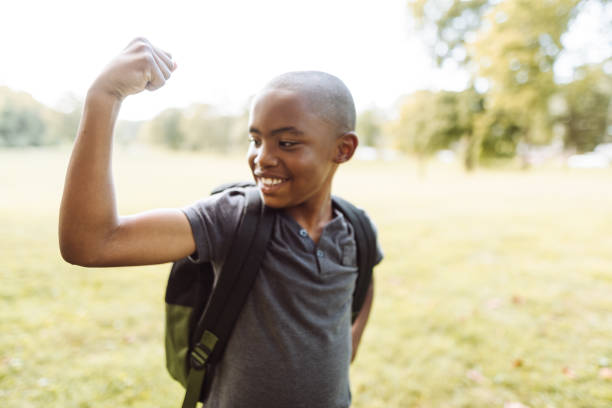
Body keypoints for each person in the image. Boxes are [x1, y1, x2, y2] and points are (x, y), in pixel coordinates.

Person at [59, 37, 383, 408]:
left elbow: (366, 275)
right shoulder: (232, 218)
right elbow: (91, 243)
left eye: (287, 143)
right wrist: (104, 96)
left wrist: (348, 347)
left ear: (344, 149)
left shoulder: (356, 227)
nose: (262, 158)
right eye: (256, 139)